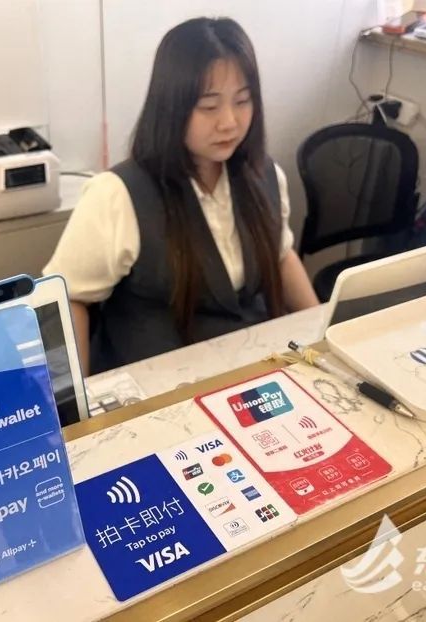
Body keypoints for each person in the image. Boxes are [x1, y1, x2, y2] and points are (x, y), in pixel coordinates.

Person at [43, 17, 318, 375]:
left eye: (243, 100)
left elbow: (281, 256)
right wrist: (73, 400)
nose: (229, 122)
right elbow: (68, 299)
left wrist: (322, 337)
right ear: (171, 106)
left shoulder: (263, 175)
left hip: (250, 370)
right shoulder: (118, 194)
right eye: (209, 106)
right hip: (158, 384)